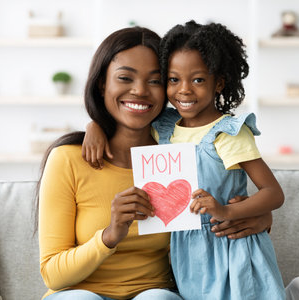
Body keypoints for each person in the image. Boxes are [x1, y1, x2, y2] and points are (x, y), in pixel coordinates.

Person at [83, 21, 285, 300]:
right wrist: (95, 126)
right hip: (185, 252)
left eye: (198, 80)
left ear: (219, 83)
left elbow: (273, 193)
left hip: (230, 248)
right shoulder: (164, 127)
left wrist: (227, 212)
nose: (184, 90)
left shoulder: (228, 134)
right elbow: (125, 119)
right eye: (174, 79)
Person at [37, 27, 182, 300]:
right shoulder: (68, 158)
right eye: (125, 77)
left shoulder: (176, 156)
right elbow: (52, 274)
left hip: (153, 291)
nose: (140, 91)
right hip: (78, 292)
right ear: (103, 83)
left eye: (155, 81)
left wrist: (255, 213)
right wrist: (109, 235)